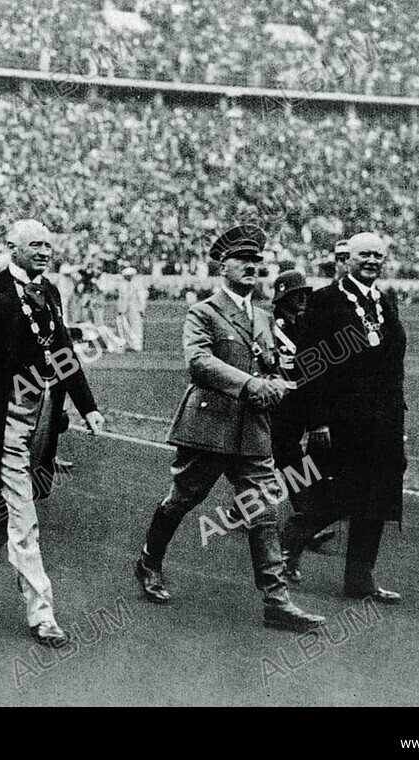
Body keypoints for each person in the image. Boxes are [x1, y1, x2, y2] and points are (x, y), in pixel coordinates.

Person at [132, 224, 326, 633]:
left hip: (252, 431)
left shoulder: (263, 315)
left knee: (265, 510)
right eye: (244, 261)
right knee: (182, 500)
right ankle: (149, 561)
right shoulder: (203, 311)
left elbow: (270, 364)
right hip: (209, 426)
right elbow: (198, 363)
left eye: (258, 262)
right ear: (224, 266)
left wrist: (277, 380)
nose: (253, 267)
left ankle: (276, 599)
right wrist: (253, 384)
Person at [0, 219, 105, 647]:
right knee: (25, 517)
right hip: (0, 418)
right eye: (35, 245)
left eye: (48, 244)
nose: (44, 251)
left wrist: (89, 408)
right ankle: (42, 612)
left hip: (42, 414)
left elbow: (63, 353)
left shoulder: (49, 293)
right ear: (12, 247)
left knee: (16, 502)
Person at [282, 232, 405, 604]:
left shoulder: (386, 300)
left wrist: (399, 423)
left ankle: (360, 577)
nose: (371, 261)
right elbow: (309, 364)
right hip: (341, 420)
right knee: (337, 495)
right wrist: (317, 420)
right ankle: (287, 549)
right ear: (347, 259)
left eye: (377, 255)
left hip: (383, 420)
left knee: (378, 495)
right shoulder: (325, 301)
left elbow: (393, 365)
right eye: (364, 254)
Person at [268, 270, 334, 576]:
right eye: (297, 295)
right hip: (279, 403)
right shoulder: (274, 326)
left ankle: (302, 513)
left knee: (290, 462)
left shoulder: (304, 324)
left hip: (298, 403)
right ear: (283, 298)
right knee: (284, 460)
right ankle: (302, 515)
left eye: (305, 294)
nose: (303, 299)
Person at [115, 265, 147, 352]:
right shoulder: (122, 284)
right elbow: (121, 298)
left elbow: (142, 298)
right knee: (126, 327)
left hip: (135, 308)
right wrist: (120, 310)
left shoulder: (138, 284)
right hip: (125, 308)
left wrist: (141, 309)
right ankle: (129, 344)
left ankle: (137, 346)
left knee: (136, 327)